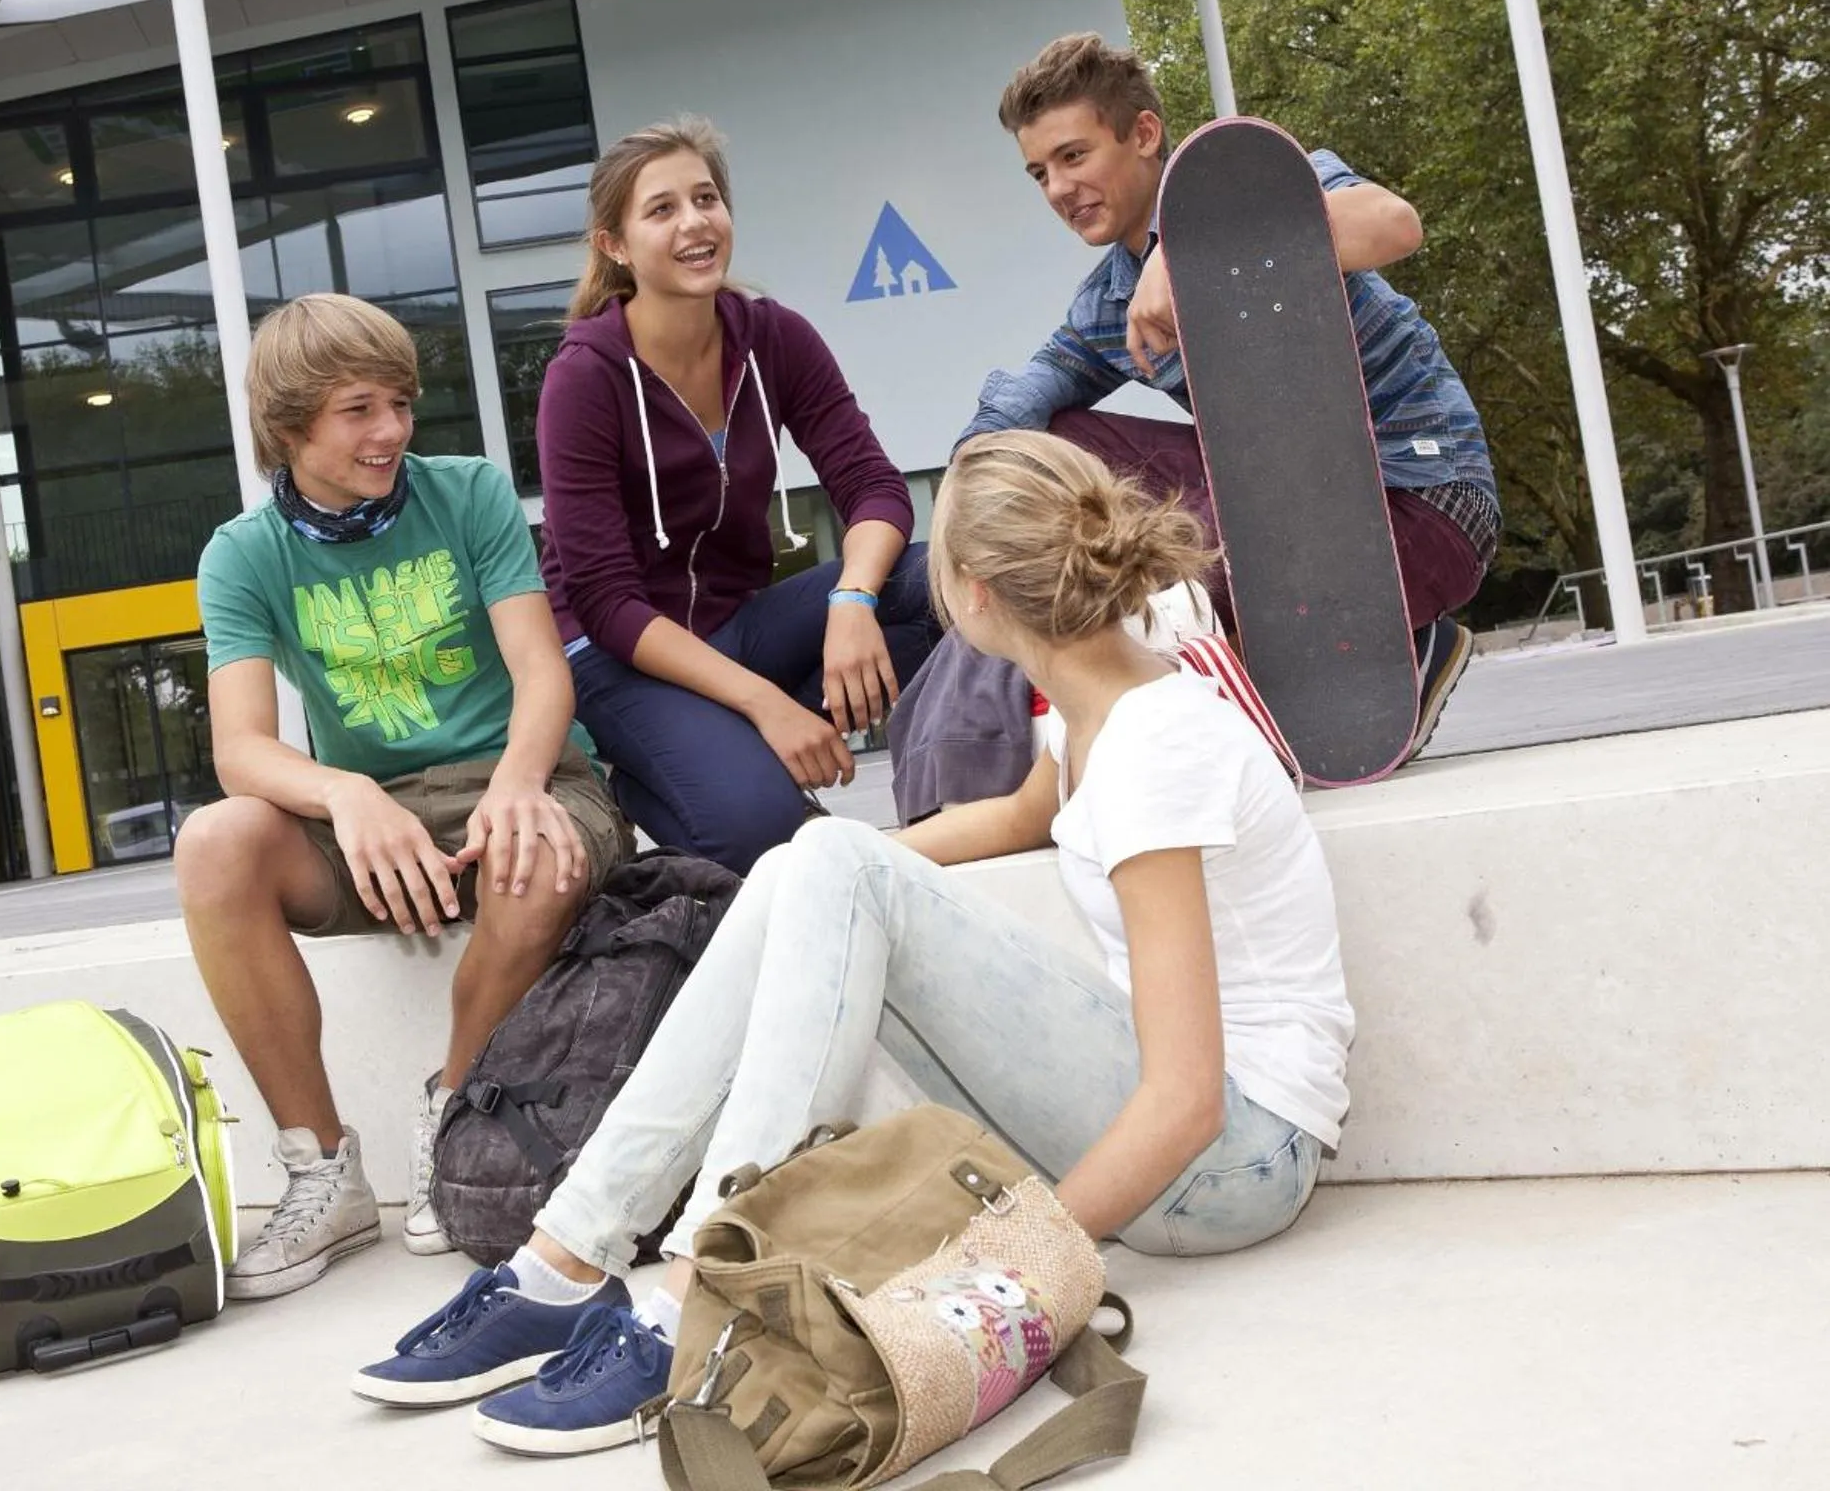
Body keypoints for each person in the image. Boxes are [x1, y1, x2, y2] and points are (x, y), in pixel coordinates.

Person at [355, 431, 1353, 1457]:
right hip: (1200, 1134)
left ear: (969, 594)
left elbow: (1186, 1101)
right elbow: (1017, 818)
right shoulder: (1100, 705)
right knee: (810, 864)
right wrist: (822, 884)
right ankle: (565, 1260)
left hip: (1238, 1154)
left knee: (830, 864)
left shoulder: (1154, 745)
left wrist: (1005, 1264)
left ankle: (705, 1288)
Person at [173, 293, 633, 1300]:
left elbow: (543, 676)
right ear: (291, 425)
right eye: (358, 411)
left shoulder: (468, 494)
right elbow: (241, 750)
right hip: (374, 813)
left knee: (538, 846)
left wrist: (516, 786)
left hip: (525, 771)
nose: (390, 431)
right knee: (215, 846)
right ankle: (322, 1170)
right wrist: (345, 794)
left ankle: (455, 1117)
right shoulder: (244, 555)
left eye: (399, 404)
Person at [948, 32, 1499, 762]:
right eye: (1038, 173)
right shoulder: (1109, 303)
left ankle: (1341, 648)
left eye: (1073, 157)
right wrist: (962, 518)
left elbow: (1395, 225)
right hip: (1292, 516)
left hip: (1423, 498)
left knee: (1177, 629)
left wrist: (1193, 252)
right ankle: (1365, 653)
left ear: (1144, 133)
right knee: (1059, 440)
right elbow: (1024, 399)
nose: (1056, 189)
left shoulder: (1265, 180)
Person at [535, 117, 943, 874]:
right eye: (662, 210)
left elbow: (874, 487)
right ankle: (658, 779)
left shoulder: (772, 338)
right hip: (619, 654)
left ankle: (945, 793)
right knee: (765, 832)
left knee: (943, 586)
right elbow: (606, 602)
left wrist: (853, 602)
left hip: (739, 620)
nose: (695, 223)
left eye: (707, 198)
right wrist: (767, 704)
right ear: (614, 245)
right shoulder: (585, 377)